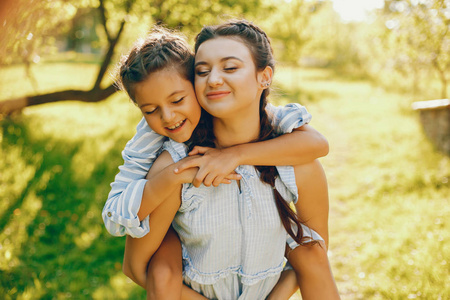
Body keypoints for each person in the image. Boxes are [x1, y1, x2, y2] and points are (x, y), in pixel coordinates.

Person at [102, 25, 335, 299]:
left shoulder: (296, 159)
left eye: (230, 68)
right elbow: (137, 267)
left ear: (265, 77)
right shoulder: (178, 166)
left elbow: (315, 254)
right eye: (202, 71)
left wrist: (234, 156)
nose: (213, 79)